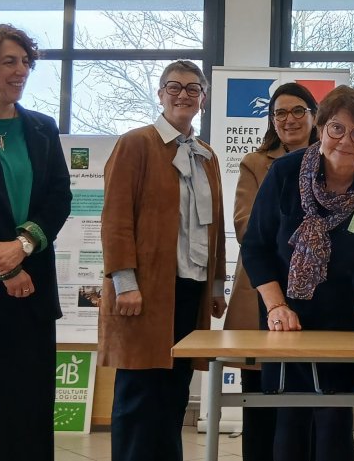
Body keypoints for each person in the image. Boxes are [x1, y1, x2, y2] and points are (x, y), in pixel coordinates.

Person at [240, 85, 354, 461]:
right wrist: (276, 307)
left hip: (343, 324)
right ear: (321, 128)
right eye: (337, 128)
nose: (345, 141)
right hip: (286, 320)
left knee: (334, 420)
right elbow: (257, 247)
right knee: (289, 420)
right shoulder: (285, 173)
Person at [98, 60, 228, 461]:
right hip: (144, 290)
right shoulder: (135, 143)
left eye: (192, 88)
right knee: (140, 393)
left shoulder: (206, 155)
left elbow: (215, 226)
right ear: (160, 94)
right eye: (174, 87)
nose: (183, 95)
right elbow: (116, 219)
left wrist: (216, 285)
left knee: (174, 391)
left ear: (203, 98)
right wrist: (125, 283)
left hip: (190, 288)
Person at [0, 24, 72, 461]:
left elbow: (59, 197)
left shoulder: (42, 128)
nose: (21, 71)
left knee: (28, 410)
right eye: (9, 61)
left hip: (32, 291)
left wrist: (25, 245)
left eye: (25, 62)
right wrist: (6, 266)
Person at [223, 82, 320, 461]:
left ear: (314, 116)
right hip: (261, 289)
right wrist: (304, 240)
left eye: (297, 111)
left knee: (312, 398)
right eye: (280, 113)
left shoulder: (332, 158)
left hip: (316, 291)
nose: (288, 119)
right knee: (260, 397)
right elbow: (246, 226)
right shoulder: (256, 163)